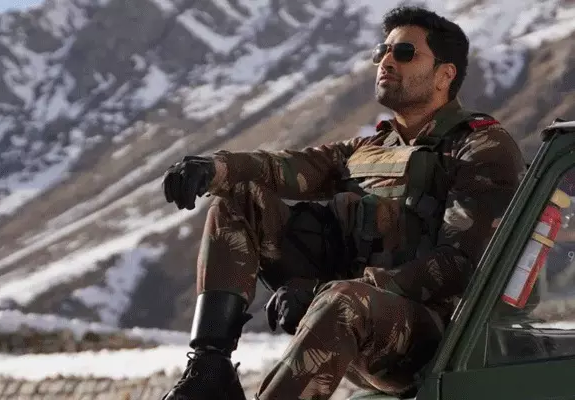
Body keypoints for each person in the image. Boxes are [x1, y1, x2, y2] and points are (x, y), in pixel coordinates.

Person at [160, 6, 527, 400]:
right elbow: (288, 167)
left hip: (440, 338)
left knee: (342, 300)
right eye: (382, 51)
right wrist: (215, 169)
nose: (386, 61)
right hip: (353, 314)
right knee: (237, 198)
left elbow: (461, 265)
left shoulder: (481, 146)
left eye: (405, 53)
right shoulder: (370, 147)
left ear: (445, 75)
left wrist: (329, 290)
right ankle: (210, 368)